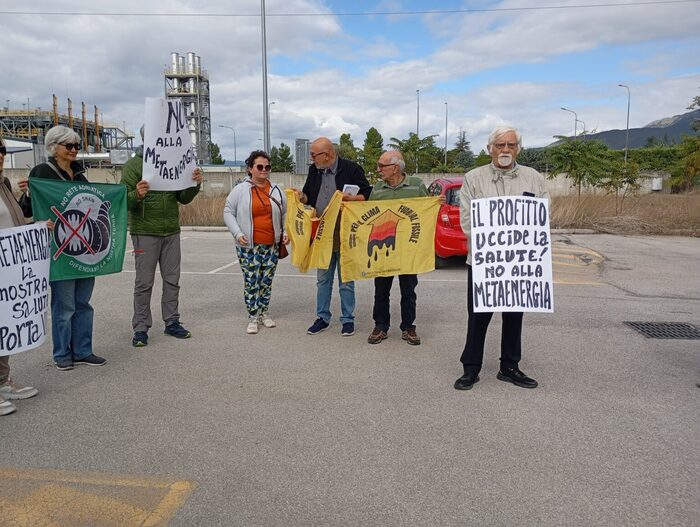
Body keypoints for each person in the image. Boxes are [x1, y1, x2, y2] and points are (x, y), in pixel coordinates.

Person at [454, 126, 549, 391]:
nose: (505, 150)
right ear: (489, 149)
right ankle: (470, 368)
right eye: (499, 145)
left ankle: (510, 366)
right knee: (478, 315)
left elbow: (542, 217)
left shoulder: (534, 179)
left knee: (514, 314)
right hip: (485, 261)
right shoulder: (473, 178)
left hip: (519, 263)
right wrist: (497, 241)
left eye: (511, 145)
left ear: (518, 148)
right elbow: (467, 220)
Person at [19, 126, 106, 370]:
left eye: (77, 146)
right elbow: (27, 210)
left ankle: (83, 350)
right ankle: (61, 353)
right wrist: (27, 194)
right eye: (69, 146)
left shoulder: (79, 174)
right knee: (64, 304)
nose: (74, 150)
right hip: (59, 248)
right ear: (54, 146)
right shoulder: (41, 172)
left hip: (84, 247)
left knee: (83, 302)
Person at [120, 125, 202, 347]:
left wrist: (194, 183)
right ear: (147, 138)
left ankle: (172, 321)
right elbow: (122, 201)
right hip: (144, 232)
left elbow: (183, 198)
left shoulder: (174, 162)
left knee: (172, 280)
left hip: (171, 230)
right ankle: (140, 327)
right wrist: (136, 195)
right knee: (144, 282)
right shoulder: (134, 166)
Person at [296, 137, 371, 337]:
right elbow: (309, 196)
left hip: (346, 233)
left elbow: (367, 195)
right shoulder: (314, 171)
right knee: (323, 279)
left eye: (314, 155)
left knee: (346, 279)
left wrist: (352, 199)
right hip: (322, 234)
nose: (311, 159)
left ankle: (347, 320)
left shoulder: (351, 169)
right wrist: (301, 197)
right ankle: (322, 318)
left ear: (327, 154)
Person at [366, 151, 428, 346]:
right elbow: (368, 213)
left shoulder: (417, 186)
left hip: (408, 249)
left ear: (395, 167)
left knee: (408, 290)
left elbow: (427, 211)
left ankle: (408, 327)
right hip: (383, 248)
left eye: (381, 165)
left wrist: (437, 204)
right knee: (381, 290)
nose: (378, 170)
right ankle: (381, 326)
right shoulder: (377, 188)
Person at [223, 150, 288, 334]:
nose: (264, 170)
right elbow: (228, 212)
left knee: (266, 281)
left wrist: (285, 232)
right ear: (250, 168)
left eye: (267, 167)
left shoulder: (276, 190)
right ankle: (252, 316)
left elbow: (285, 214)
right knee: (252, 281)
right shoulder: (241, 190)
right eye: (259, 167)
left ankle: (264, 313)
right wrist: (237, 233)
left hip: (271, 244)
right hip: (248, 245)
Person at [0, 137, 39, 414]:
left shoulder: (4, 184)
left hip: (8, 269)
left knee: (5, 326)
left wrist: (36, 225)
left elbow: (15, 222)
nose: (0, 155)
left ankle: (2, 381)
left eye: (1, 150)